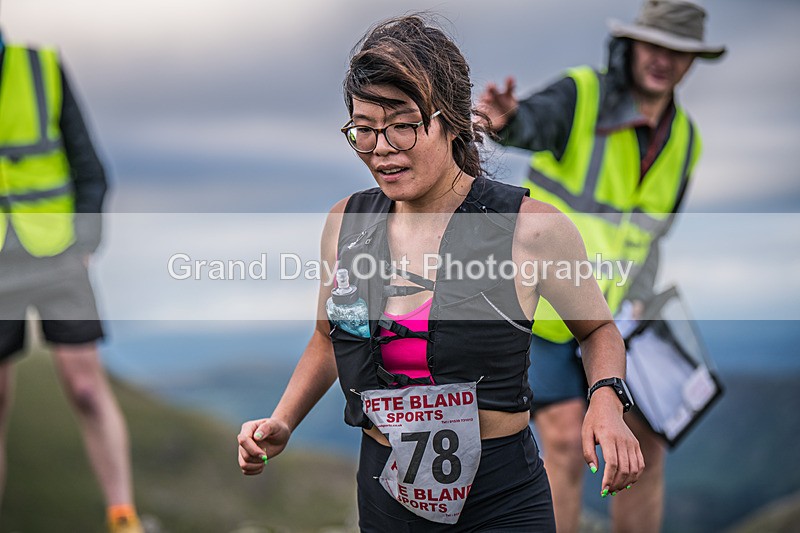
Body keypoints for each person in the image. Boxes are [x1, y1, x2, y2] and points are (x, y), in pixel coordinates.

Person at [238, 14, 643, 531]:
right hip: (385, 492)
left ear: (450, 120)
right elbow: (327, 337)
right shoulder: (346, 223)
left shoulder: (530, 228)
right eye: (364, 130)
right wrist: (283, 421)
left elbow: (598, 329)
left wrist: (606, 399)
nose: (381, 147)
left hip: (503, 501)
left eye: (403, 125)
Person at [478, 1, 725, 531]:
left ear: (693, 61)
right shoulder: (581, 94)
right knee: (566, 443)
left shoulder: (686, 141)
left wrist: (641, 296)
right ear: (632, 45)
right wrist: (506, 120)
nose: (664, 59)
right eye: (655, 44)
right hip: (537, 312)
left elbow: (649, 234)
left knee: (644, 447)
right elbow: (528, 123)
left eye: (679, 51)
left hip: (611, 319)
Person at [0, 31, 143, 533]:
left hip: (57, 252)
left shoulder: (39, 67)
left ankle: (123, 517)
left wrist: (86, 243)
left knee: (85, 386)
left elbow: (90, 167)